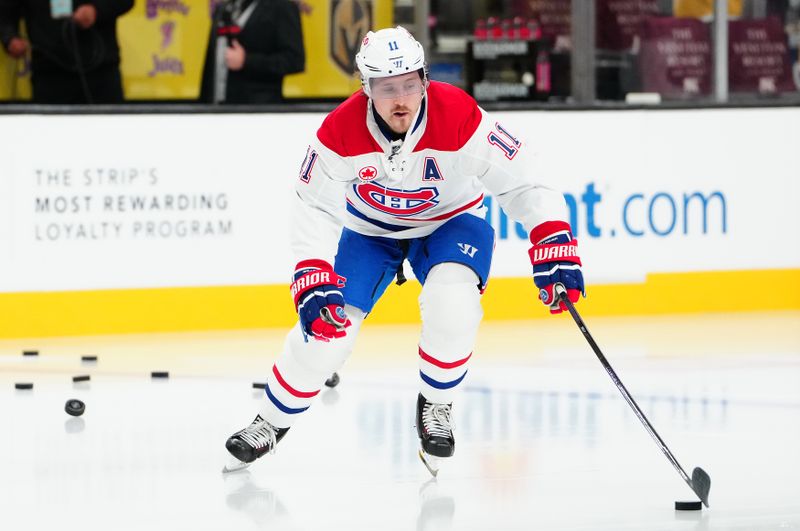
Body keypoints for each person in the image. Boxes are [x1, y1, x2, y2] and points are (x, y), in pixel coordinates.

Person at [223, 26, 584, 476]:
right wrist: (311, 277)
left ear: (425, 80)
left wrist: (553, 240)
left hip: (450, 222)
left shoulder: (458, 115)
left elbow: (524, 177)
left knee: (453, 304)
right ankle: (271, 423)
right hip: (370, 232)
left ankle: (437, 404)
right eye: (387, 87)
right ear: (365, 87)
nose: (401, 99)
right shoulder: (339, 131)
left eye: (411, 84)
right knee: (326, 335)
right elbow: (312, 205)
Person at [0, 0, 133, 104]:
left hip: (101, 70)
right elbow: (5, 11)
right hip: (49, 72)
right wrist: (10, 38)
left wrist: (96, 10)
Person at [200, 0, 304, 104]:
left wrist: (247, 61)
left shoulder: (282, 6)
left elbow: (294, 60)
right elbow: (211, 63)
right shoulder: (224, 8)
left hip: (260, 110)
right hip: (218, 110)